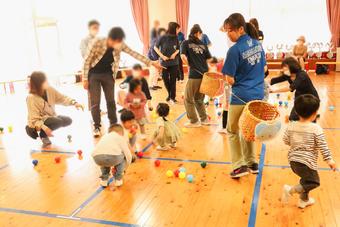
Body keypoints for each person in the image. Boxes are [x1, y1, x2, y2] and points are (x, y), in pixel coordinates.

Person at [83, 27, 161, 137]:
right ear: (109, 38)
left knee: (110, 100)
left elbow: (134, 53)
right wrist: (85, 79)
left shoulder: (120, 43)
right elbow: (87, 61)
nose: (117, 45)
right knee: (95, 101)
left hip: (108, 74)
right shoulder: (96, 42)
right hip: (93, 74)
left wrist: (152, 62)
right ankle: (97, 126)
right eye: (115, 42)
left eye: (119, 42)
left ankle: (113, 124)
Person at [222, 13, 266, 178]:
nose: (228, 34)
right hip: (257, 96)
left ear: (240, 29)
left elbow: (230, 80)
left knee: (232, 130)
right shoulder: (258, 44)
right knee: (248, 130)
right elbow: (264, 69)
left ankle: (239, 166)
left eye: (230, 31)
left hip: (240, 97)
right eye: (226, 31)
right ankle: (252, 162)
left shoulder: (234, 50)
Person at [282, 94, 337, 208]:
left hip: (293, 161)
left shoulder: (291, 126)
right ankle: (290, 190)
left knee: (306, 180)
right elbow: (323, 146)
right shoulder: (315, 129)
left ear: (297, 112)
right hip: (306, 163)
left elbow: (286, 140)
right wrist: (329, 160)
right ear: (314, 114)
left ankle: (304, 200)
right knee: (313, 182)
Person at [26, 72, 84, 147]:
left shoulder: (49, 89)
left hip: (49, 118)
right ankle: (43, 136)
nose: (47, 82)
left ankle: (46, 131)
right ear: (39, 83)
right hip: (35, 124)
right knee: (58, 122)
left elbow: (62, 98)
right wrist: (45, 128)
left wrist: (74, 102)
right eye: (45, 80)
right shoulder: (31, 98)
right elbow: (34, 120)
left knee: (68, 120)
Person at [180, 25, 212, 127]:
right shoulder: (203, 44)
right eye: (200, 34)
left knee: (188, 98)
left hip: (194, 75)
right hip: (204, 75)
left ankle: (194, 121)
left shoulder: (185, 43)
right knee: (199, 99)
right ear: (197, 33)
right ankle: (204, 119)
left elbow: (183, 56)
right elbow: (209, 59)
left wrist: (188, 64)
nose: (201, 36)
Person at [270, 57, 319, 122]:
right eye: (283, 67)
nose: (283, 69)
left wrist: (273, 91)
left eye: (285, 66)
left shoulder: (302, 75)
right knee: (293, 118)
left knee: (310, 120)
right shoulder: (288, 75)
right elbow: (275, 80)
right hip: (300, 97)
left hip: (311, 98)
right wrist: (265, 83)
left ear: (292, 66)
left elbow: (290, 88)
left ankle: (312, 118)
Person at [154, 22, 181, 104]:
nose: (178, 30)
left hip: (174, 63)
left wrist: (174, 54)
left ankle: (172, 97)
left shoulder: (176, 38)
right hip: (164, 63)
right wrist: (162, 56)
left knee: (173, 81)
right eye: (177, 28)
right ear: (173, 28)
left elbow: (178, 49)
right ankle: (169, 94)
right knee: (165, 80)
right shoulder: (162, 37)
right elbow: (155, 47)